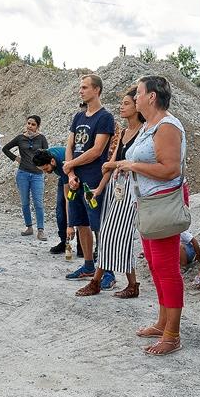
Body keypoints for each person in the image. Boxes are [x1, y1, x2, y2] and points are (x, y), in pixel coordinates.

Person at [119, 75, 188, 355]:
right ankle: (163, 323)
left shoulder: (167, 126)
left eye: (138, 92)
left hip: (163, 202)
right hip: (147, 202)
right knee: (155, 265)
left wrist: (133, 165)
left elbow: (170, 169)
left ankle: (172, 334)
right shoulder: (150, 125)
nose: (135, 97)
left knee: (167, 269)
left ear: (151, 97)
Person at [76, 86, 144, 297]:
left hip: (131, 190)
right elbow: (111, 163)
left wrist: (112, 167)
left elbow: (125, 164)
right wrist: (99, 188)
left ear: (137, 107)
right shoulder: (123, 132)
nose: (121, 107)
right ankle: (132, 284)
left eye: (126, 103)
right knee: (113, 235)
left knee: (110, 234)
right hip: (116, 188)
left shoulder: (145, 132)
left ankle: (97, 280)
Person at [62, 74, 116, 281]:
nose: (81, 91)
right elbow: (70, 145)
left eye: (85, 87)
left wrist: (71, 165)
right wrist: (71, 172)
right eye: (80, 87)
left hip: (93, 179)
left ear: (97, 90)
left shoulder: (105, 117)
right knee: (80, 223)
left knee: (98, 225)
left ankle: (107, 269)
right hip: (76, 179)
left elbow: (97, 150)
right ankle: (88, 265)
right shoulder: (78, 117)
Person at [2, 115, 50, 240]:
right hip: (22, 174)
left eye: (33, 124)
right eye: (28, 123)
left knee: (38, 203)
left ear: (38, 126)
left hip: (37, 175)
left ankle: (40, 230)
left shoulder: (41, 138)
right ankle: (29, 227)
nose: (30, 126)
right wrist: (16, 158)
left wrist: (43, 168)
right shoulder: (20, 138)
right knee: (25, 202)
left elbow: (47, 154)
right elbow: (5, 148)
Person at [32, 145, 82, 256]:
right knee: (60, 210)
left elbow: (68, 199)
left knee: (78, 208)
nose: (45, 172)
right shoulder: (46, 155)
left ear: (52, 161)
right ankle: (64, 241)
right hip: (64, 178)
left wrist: (70, 225)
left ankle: (81, 246)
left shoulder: (62, 164)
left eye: (46, 169)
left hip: (76, 176)